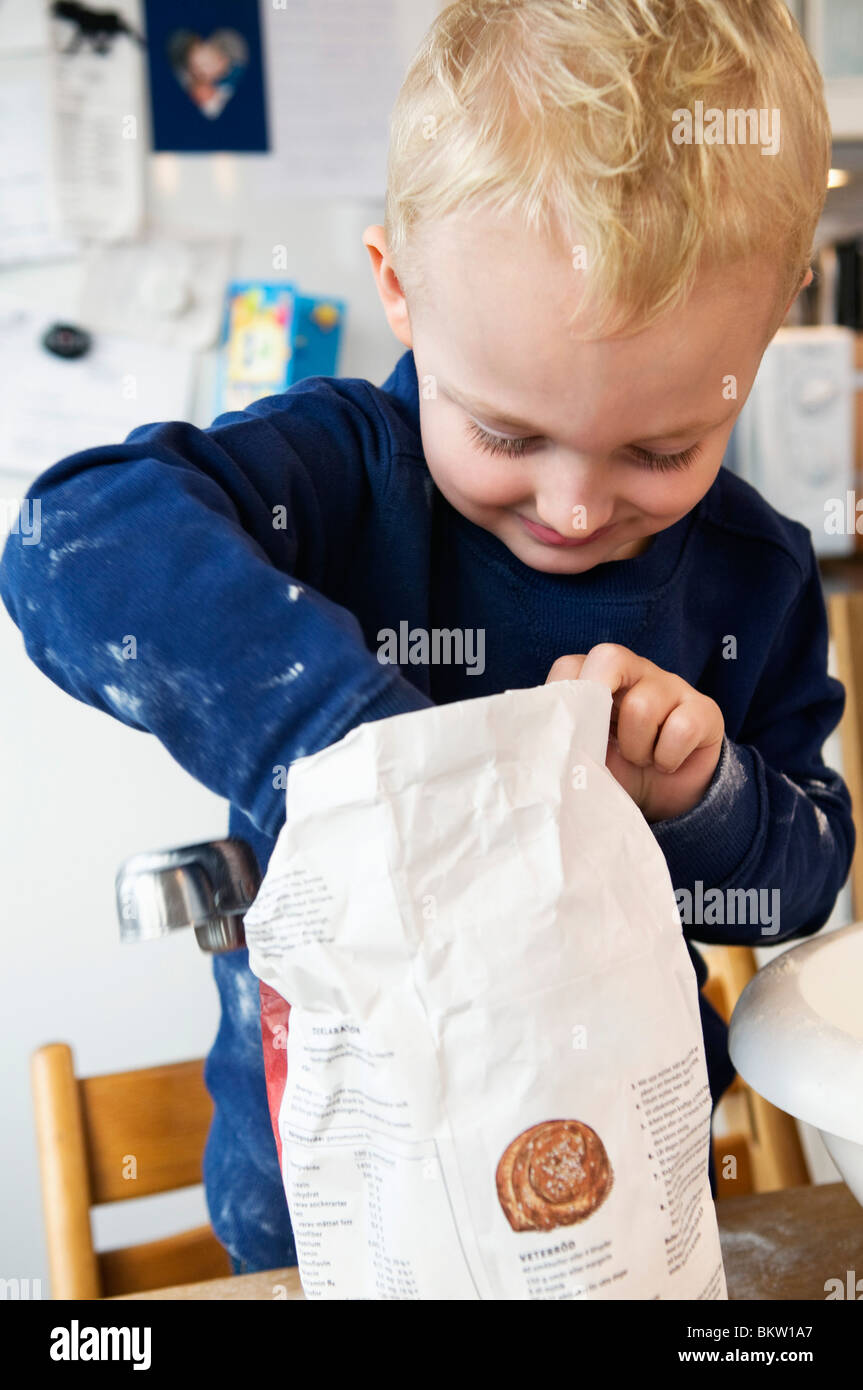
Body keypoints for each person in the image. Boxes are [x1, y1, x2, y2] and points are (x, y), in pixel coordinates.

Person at [1, 0, 853, 1277]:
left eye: (661, 449)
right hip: (327, 1189)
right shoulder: (338, 474)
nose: (572, 507)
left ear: (766, 326)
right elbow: (74, 542)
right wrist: (362, 747)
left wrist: (704, 797)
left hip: (618, 1188)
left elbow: (801, 876)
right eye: (506, 436)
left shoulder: (755, 574)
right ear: (398, 289)